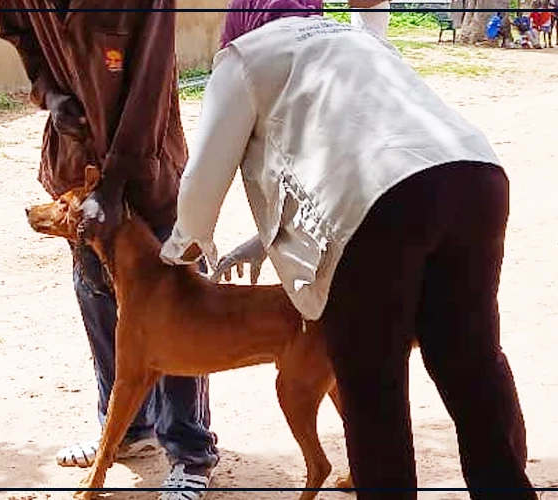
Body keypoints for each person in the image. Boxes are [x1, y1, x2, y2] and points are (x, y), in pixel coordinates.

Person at [158, 0, 536, 498]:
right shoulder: (351, 40)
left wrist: (179, 251)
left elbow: (202, 186)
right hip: (474, 176)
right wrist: (261, 243)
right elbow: (354, 147)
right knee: (470, 360)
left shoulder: (245, 56)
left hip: (381, 210)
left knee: (372, 386)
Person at [0, 2, 222, 497]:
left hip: (146, 165)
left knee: (176, 302)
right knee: (98, 292)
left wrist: (116, 179)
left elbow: (152, 80)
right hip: (76, 161)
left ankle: (190, 450)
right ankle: (127, 429)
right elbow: (21, 36)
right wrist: (51, 96)